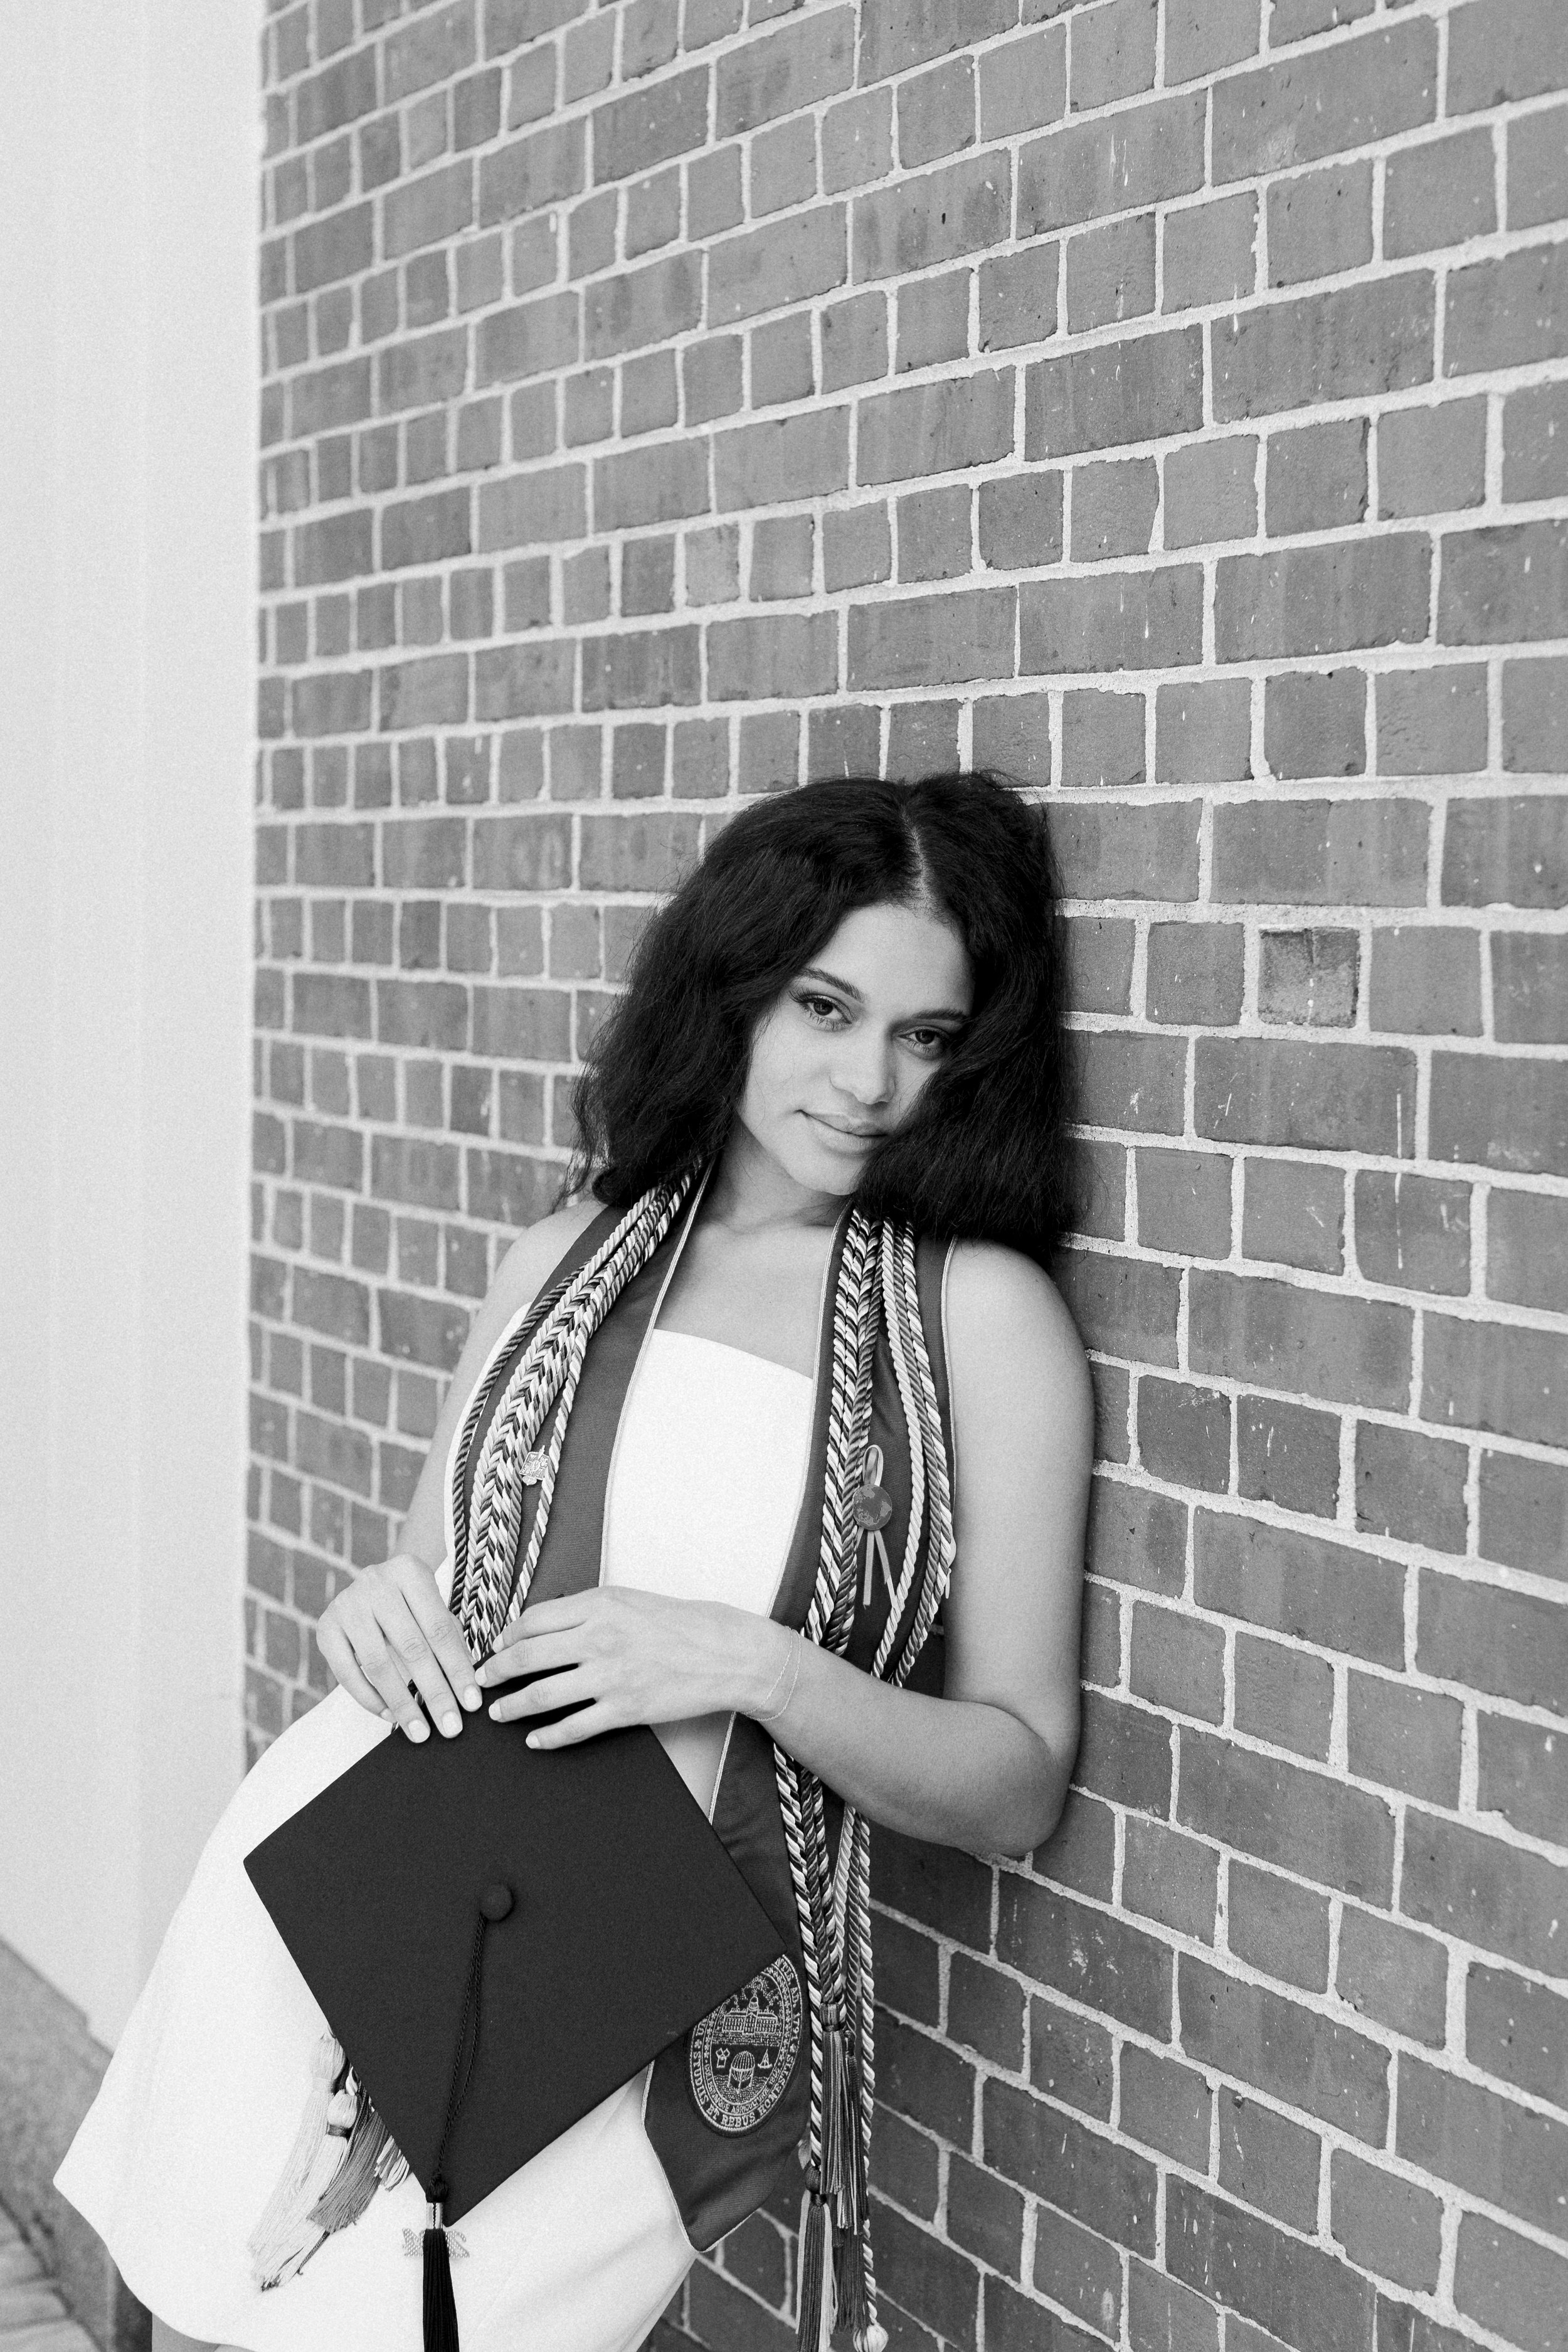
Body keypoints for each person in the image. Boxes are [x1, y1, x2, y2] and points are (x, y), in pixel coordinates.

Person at [56, 770, 1092, 2352]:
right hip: (369, 1879)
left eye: (926, 1035)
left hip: (629, 1981)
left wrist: (746, 1663)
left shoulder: (972, 1318)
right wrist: (365, 1613)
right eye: (824, 1007)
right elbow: (422, 1594)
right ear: (735, 991)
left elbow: (1016, 1781)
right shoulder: (565, 1254)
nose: (868, 1079)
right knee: (200, 2305)